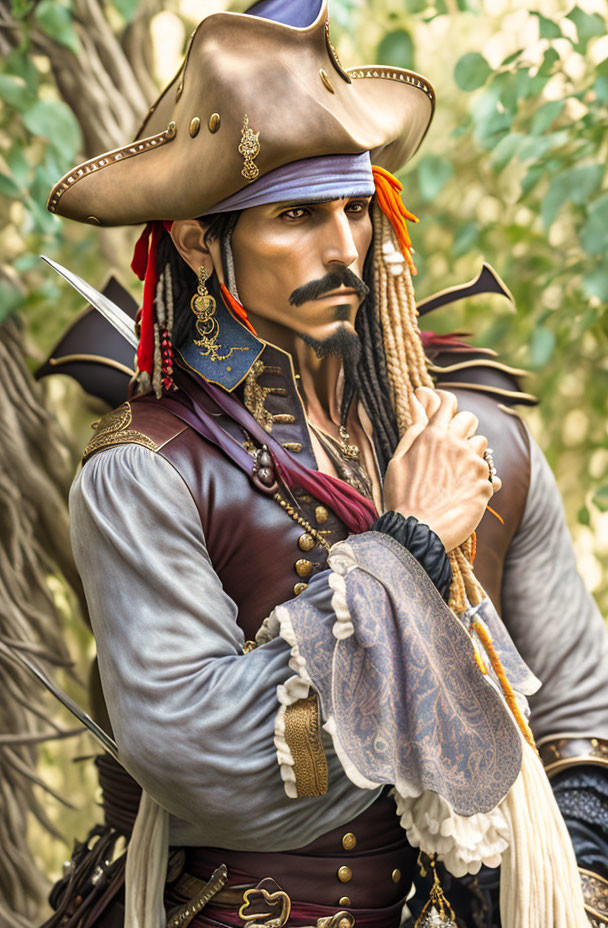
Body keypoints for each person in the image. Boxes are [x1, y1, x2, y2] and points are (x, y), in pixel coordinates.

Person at [41, 1, 608, 926]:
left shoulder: (481, 440)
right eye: (296, 215)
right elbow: (211, 757)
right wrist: (410, 546)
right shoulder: (142, 471)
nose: (344, 247)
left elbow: (584, 708)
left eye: (356, 209)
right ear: (195, 241)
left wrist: (564, 880)